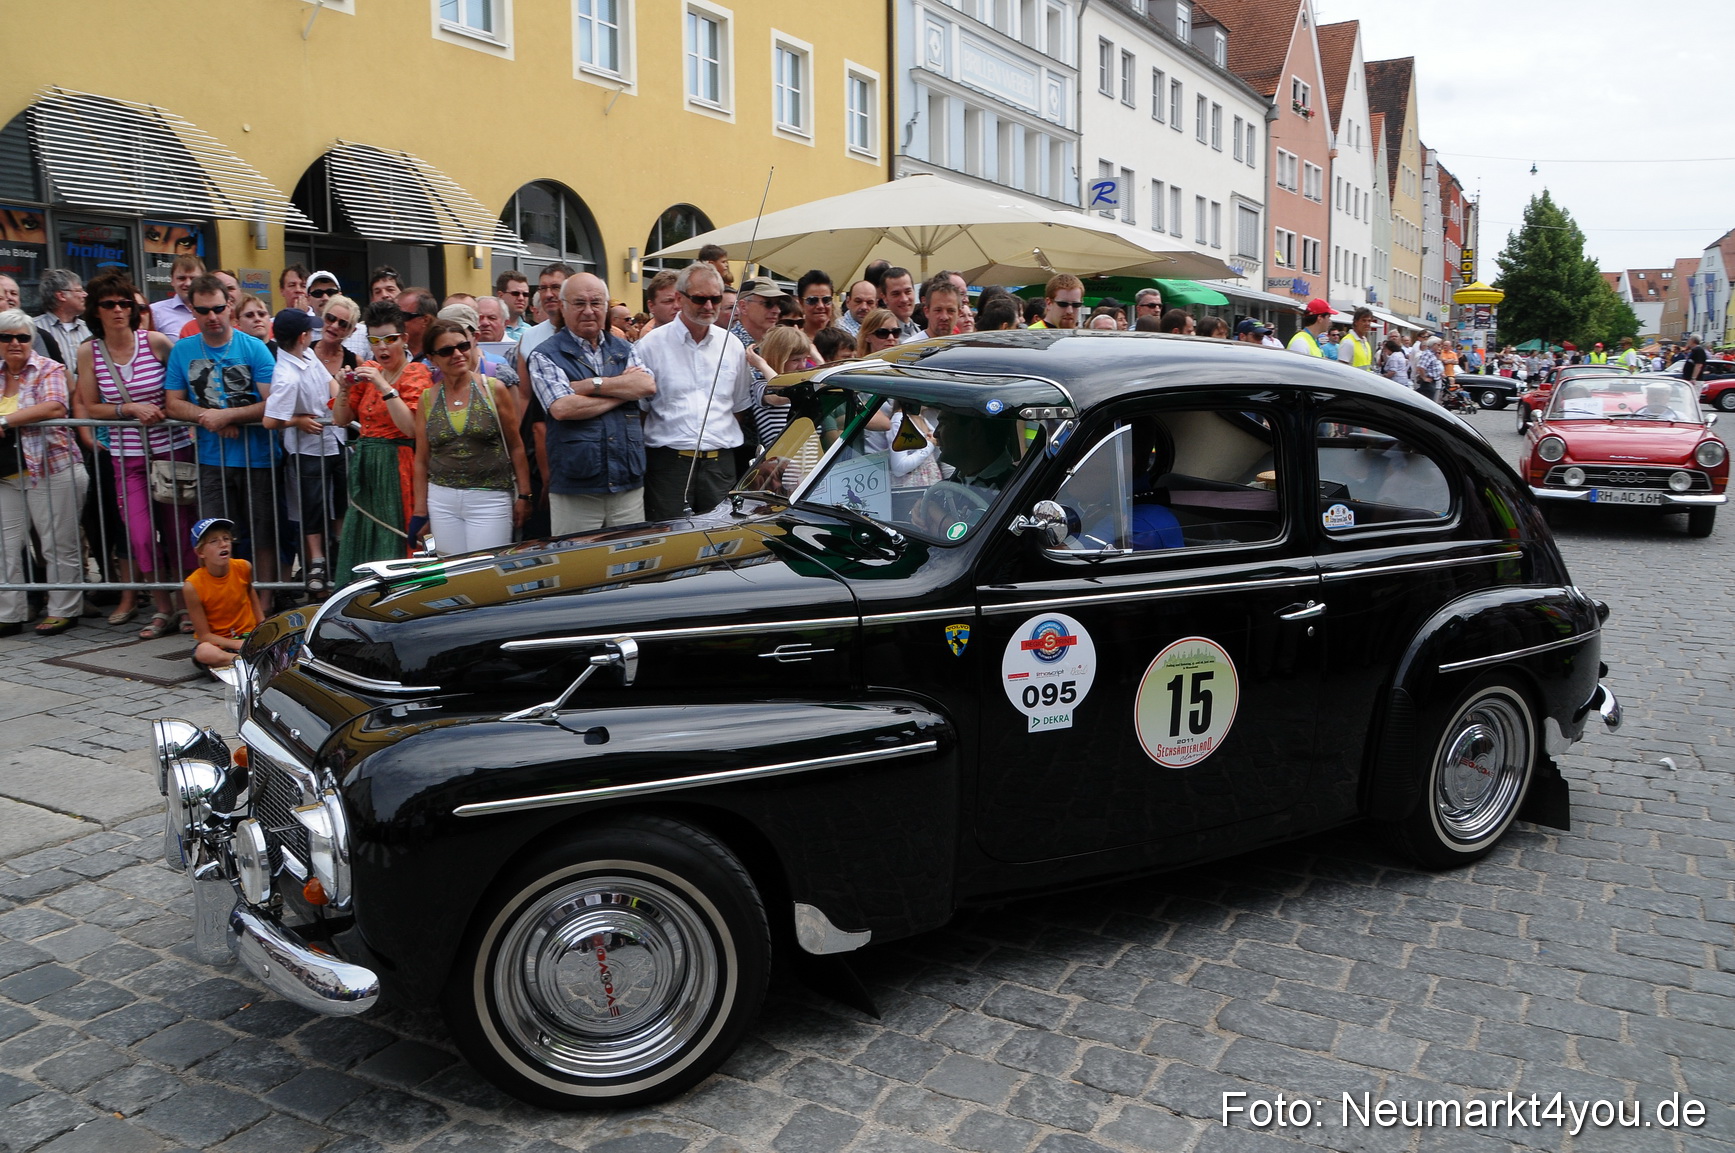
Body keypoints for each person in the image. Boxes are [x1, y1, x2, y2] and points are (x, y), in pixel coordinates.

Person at [74, 271, 190, 637]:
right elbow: (91, 406)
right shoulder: (89, 352)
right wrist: (129, 409)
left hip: (171, 451)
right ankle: (161, 607)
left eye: (125, 303)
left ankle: (189, 605)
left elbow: (184, 387)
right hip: (127, 457)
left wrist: (175, 413)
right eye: (109, 304)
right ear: (96, 311)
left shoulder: (156, 342)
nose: (119, 310)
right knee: (140, 536)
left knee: (180, 533)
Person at [162, 275, 281, 606]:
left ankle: (265, 602)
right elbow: (173, 403)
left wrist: (227, 416)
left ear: (229, 305)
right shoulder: (183, 350)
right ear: (192, 311)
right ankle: (222, 605)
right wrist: (207, 417)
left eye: (217, 308)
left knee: (262, 534)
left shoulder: (254, 347)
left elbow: (273, 402)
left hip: (258, 457)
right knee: (213, 537)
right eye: (203, 310)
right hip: (212, 459)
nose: (212, 316)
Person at [527, 273, 655, 534]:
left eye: (596, 303)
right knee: (578, 568)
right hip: (576, 486)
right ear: (563, 307)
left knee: (630, 563)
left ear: (606, 307)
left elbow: (646, 386)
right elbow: (562, 408)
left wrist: (590, 386)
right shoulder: (544, 354)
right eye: (579, 303)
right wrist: (621, 391)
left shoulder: (625, 348)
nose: (588, 311)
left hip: (626, 480)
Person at [630, 263, 755, 520]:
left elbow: (739, 408)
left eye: (715, 299)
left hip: (720, 465)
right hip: (668, 466)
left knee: (721, 541)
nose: (709, 306)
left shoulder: (731, 345)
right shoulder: (650, 345)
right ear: (679, 298)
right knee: (669, 544)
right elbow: (641, 412)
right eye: (700, 298)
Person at [0, 308, 89, 635]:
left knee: (57, 544)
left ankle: (63, 610)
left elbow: (55, 406)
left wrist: (5, 420)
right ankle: (9, 613)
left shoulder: (49, 368)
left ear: (32, 340)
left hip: (52, 468)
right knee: (4, 545)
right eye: (6, 337)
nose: (14, 343)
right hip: (6, 475)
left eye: (22, 337)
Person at [411, 319, 530, 555]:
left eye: (463, 346)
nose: (457, 354)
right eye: (447, 351)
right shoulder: (427, 398)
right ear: (432, 358)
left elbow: (516, 446)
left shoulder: (494, 389)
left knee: (486, 571)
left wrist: (525, 495)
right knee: (450, 571)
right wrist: (419, 510)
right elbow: (422, 459)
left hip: (491, 496)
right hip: (442, 498)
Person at [332, 301, 430, 586]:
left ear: (404, 339)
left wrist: (384, 387)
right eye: (375, 341)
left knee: (397, 533)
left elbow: (410, 428)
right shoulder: (370, 369)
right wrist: (344, 388)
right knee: (362, 533)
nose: (382, 348)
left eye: (390, 340)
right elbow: (340, 419)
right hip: (367, 464)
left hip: (399, 465)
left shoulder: (415, 373)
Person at [263, 309, 345, 594]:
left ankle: (339, 557)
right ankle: (318, 561)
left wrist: (342, 395)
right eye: (310, 331)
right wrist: (297, 420)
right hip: (307, 450)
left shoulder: (308, 355)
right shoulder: (286, 375)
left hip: (334, 439)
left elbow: (329, 383)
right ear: (302, 336)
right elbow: (269, 420)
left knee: (339, 501)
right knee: (312, 507)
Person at [183, 517, 261, 675]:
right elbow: (204, 635)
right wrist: (236, 644)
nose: (223, 544)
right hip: (219, 642)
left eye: (226, 538)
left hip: (249, 636)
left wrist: (263, 631)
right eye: (213, 541)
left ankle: (241, 660)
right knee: (203, 652)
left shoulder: (243, 567)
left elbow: (256, 608)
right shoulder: (192, 585)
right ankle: (241, 661)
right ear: (200, 552)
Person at [30, 269, 89, 368]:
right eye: (79, 290)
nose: (85, 294)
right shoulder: (33, 328)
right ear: (61, 295)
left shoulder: (89, 329)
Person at [150, 255, 204, 334]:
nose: (188, 283)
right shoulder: (155, 312)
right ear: (172, 281)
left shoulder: (216, 310)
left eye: (193, 279)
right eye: (181, 278)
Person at [396, 288, 440, 362]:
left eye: (403, 316)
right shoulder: (389, 351)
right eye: (394, 315)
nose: (396, 321)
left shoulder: (442, 351)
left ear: (425, 320)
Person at [880, 267, 922, 339]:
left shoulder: (917, 329)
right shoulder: (881, 335)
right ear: (884, 298)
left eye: (908, 292)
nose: (904, 299)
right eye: (896, 294)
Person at [919, 275, 963, 340]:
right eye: (938, 310)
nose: (944, 317)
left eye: (950, 311)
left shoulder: (963, 348)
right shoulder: (910, 347)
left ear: (959, 313)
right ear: (927, 311)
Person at [638, 270, 680, 335]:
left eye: (680, 300)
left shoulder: (699, 341)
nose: (677, 306)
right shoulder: (646, 343)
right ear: (651, 306)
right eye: (668, 301)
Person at [494, 271, 531, 340]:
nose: (521, 298)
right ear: (500, 295)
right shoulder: (490, 329)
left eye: (525, 294)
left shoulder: (530, 331)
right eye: (515, 293)